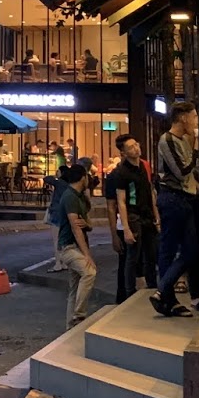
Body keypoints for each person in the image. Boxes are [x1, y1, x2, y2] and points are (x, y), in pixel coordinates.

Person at [153, 101, 199, 317]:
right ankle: (167, 297)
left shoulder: (183, 140)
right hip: (172, 199)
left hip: (186, 199)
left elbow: (194, 172)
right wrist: (197, 146)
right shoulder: (168, 140)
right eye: (194, 117)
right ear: (183, 118)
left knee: (191, 250)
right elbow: (182, 171)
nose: (195, 121)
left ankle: (165, 291)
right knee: (169, 250)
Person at [105, 134, 158, 305]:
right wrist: (124, 228)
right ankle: (129, 294)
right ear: (123, 153)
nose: (136, 148)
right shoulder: (120, 173)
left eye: (136, 144)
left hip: (147, 214)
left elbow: (150, 191)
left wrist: (157, 216)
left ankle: (152, 287)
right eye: (131, 147)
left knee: (151, 253)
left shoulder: (144, 166)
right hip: (133, 215)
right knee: (132, 256)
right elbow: (118, 202)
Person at [54, 158, 98, 328]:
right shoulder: (70, 197)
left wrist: (86, 225)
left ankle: (70, 328)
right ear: (82, 177)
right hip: (69, 247)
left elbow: (86, 224)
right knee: (89, 272)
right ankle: (79, 315)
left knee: (74, 288)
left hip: (74, 247)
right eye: (87, 176)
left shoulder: (79, 197)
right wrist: (88, 255)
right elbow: (75, 227)